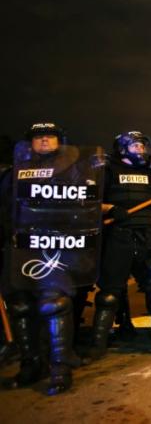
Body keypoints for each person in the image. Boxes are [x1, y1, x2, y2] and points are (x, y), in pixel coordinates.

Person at [1, 123, 99, 394]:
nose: (43, 141)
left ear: (60, 141)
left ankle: (59, 368)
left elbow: (87, 206)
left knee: (53, 304)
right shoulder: (15, 173)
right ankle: (30, 364)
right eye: (38, 137)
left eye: (49, 136)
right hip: (21, 247)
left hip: (56, 245)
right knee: (20, 305)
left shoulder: (75, 170)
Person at [89, 131, 151, 358]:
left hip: (147, 238)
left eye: (143, 146)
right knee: (110, 293)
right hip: (117, 236)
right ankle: (97, 346)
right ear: (123, 149)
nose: (141, 150)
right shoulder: (107, 172)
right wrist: (110, 209)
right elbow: (90, 201)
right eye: (136, 146)